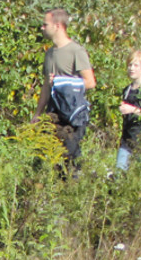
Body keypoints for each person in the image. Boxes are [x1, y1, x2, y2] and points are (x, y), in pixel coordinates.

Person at [34, 9, 95, 171]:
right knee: (49, 161)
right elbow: (47, 86)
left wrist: (62, 82)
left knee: (70, 162)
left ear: (58, 26)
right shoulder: (49, 54)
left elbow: (90, 82)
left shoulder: (76, 51)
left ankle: (75, 192)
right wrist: (38, 114)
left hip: (73, 116)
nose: (42, 28)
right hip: (54, 115)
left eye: (45, 24)